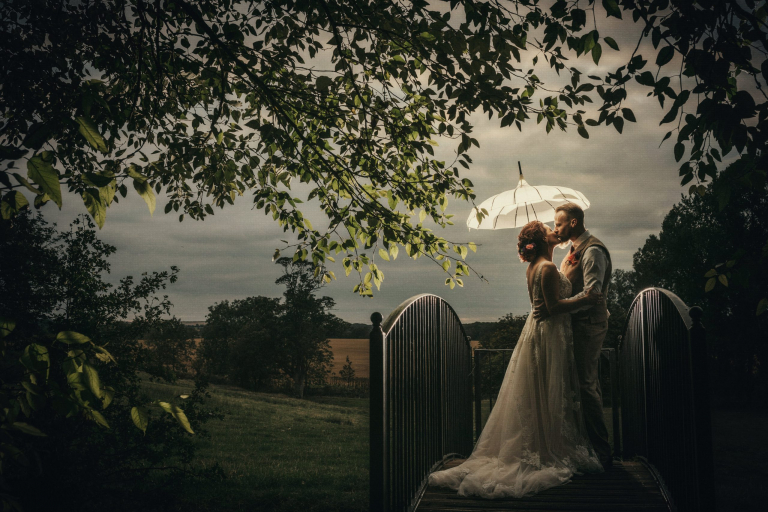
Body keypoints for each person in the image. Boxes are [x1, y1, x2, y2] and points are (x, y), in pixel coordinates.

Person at [428, 220, 603, 498]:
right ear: (542, 240)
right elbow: (553, 307)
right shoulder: (545, 268)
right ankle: (545, 446)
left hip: (545, 332)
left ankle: (544, 440)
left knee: (542, 389)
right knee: (547, 388)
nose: (553, 231)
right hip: (549, 334)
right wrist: (586, 299)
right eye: (548, 229)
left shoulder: (541, 265)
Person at [535, 203, 614, 469]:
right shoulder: (572, 251)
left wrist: (556, 307)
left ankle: (602, 453)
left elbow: (593, 295)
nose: (555, 228)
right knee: (582, 385)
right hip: (574, 326)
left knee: (585, 386)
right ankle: (587, 446)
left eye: (558, 224)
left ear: (573, 223)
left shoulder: (592, 251)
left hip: (588, 325)